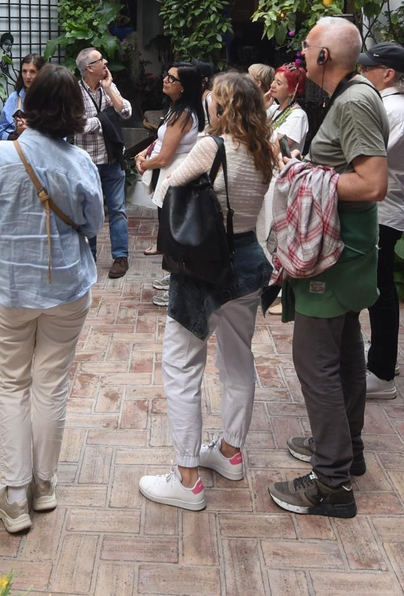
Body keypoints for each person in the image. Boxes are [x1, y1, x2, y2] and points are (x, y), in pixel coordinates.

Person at [0, 66, 103, 534]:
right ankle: (45, 485)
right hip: (68, 288)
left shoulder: (0, 157)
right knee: (52, 384)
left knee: (13, 384)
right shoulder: (80, 162)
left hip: (13, 289)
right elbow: (92, 225)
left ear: (30, 100)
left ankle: (15, 495)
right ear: (74, 111)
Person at [138, 72, 275, 512]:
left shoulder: (211, 147)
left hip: (205, 267)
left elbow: (166, 193)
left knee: (181, 365)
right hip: (249, 261)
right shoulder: (263, 150)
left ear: (223, 106)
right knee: (238, 359)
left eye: (213, 99)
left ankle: (186, 478)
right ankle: (231, 453)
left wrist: (147, 169)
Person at [270, 18, 386, 519]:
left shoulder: (356, 100)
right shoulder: (352, 95)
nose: (302, 53)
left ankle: (331, 482)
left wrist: (300, 174)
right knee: (343, 356)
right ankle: (346, 450)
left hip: (333, 254)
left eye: (308, 46)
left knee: (315, 364)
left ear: (324, 57)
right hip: (345, 248)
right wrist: (311, 165)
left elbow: (371, 184)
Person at [357, 42, 404, 401]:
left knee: (379, 294)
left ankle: (381, 372)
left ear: (388, 74)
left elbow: (368, 160)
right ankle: (382, 360)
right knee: (378, 291)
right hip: (381, 208)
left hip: (383, 211)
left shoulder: (395, 111)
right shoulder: (387, 105)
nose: (363, 73)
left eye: (368, 69)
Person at [133, 63, 204, 282]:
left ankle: (177, 282)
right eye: (167, 75)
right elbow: (161, 140)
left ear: (184, 87)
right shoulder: (175, 108)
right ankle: (175, 279)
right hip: (169, 175)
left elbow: (165, 157)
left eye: (172, 79)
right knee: (168, 229)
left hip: (176, 176)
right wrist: (143, 153)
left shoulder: (183, 114)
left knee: (174, 233)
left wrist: (145, 163)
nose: (165, 80)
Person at [72, 47, 133, 278]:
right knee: (90, 210)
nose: (106, 62)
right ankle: (89, 256)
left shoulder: (108, 85)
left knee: (118, 209)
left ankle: (120, 257)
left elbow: (126, 111)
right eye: (100, 60)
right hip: (87, 162)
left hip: (112, 157)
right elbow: (77, 125)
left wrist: (109, 91)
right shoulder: (75, 92)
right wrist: (104, 119)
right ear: (89, 68)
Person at [0, 53, 47, 140]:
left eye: (32, 72)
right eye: (24, 71)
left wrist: (31, 132)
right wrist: (15, 135)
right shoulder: (14, 98)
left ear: (41, 74)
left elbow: (61, 137)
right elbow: (1, 133)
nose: (27, 76)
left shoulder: (51, 99)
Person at [267, 63, 310, 156]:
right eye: (273, 80)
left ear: (292, 91)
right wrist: (262, 107)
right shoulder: (272, 108)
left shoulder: (298, 116)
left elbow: (276, 150)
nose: (272, 85)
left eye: (278, 83)